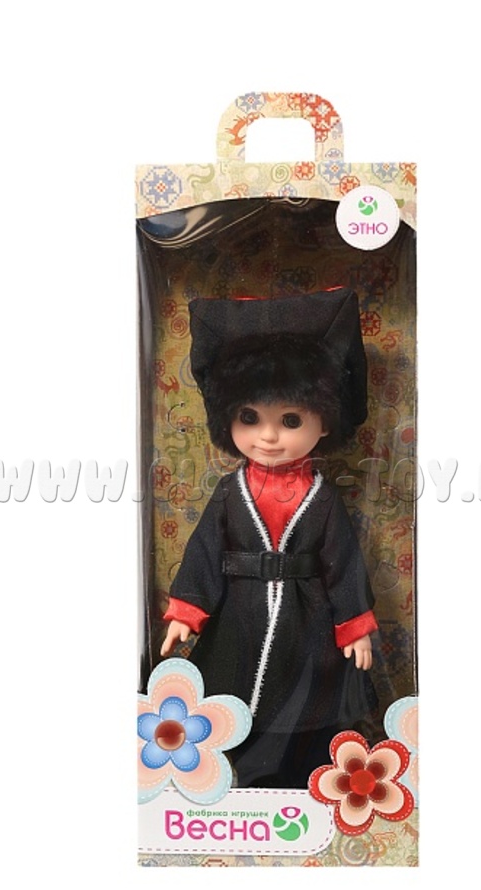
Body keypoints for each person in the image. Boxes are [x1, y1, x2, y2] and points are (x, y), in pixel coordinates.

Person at [160, 288, 378, 787]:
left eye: (291, 420)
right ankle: (229, 779)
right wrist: (187, 612)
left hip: (307, 621)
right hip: (238, 615)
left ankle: (305, 777)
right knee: (229, 701)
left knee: (309, 709)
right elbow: (204, 552)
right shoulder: (230, 491)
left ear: (325, 423)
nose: (269, 436)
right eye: (249, 417)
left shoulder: (322, 497)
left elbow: (343, 563)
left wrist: (354, 625)